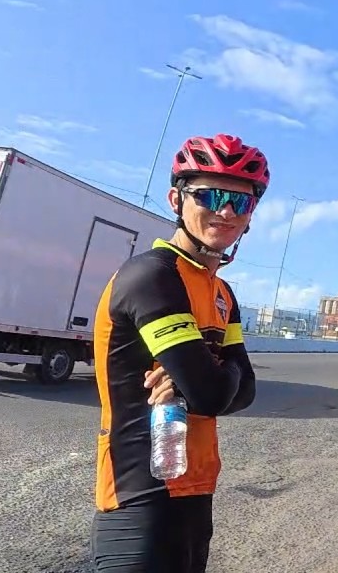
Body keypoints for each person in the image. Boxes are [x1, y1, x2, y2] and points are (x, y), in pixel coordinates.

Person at [90, 134, 266, 572]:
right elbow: (212, 394)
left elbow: (246, 391)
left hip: (197, 488)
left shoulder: (222, 291)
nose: (225, 211)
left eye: (239, 203)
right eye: (210, 194)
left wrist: (199, 379)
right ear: (176, 199)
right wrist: (210, 377)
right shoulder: (152, 276)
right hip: (139, 495)